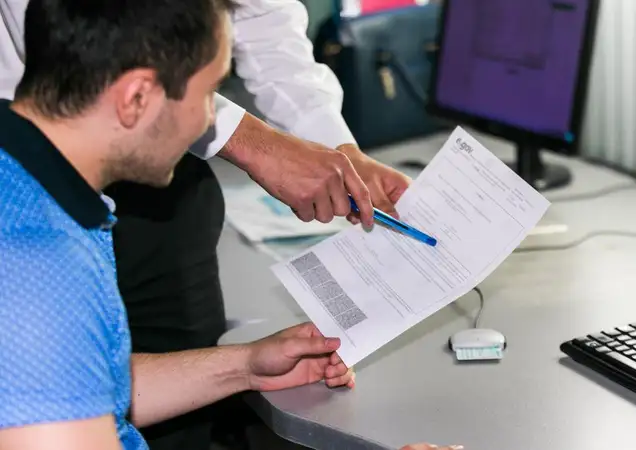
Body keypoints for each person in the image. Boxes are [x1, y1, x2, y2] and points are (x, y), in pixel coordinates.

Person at [0, 1, 461, 450]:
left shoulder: (35, 194)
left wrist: (244, 366)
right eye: (208, 95)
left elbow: (86, 385)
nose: (209, 123)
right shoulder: (37, 265)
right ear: (136, 97)